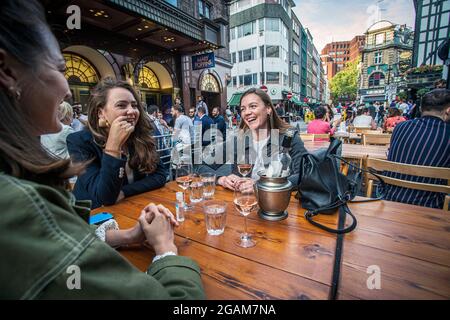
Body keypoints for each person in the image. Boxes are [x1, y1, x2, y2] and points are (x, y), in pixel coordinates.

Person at [0, 0, 204, 299]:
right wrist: (165, 250)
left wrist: (129, 233)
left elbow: (162, 175)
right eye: (59, 69)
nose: (68, 90)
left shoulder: (143, 134)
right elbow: (102, 198)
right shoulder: (32, 192)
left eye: (134, 105)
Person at [67, 78, 168, 209]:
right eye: (121, 105)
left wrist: (125, 192)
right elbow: (105, 197)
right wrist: (113, 145)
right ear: (101, 113)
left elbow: (160, 175)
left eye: (134, 105)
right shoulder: (79, 141)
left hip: (130, 208)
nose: (132, 111)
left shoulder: (138, 136)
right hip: (94, 218)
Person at [199, 88, 307, 189]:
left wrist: (260, 185)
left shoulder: (289, 137)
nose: (247, 112)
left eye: (253, 106)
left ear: (268, 109)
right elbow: (199, 165)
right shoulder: (237, 141)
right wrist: (220, 179)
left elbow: (305, 175)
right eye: (243, 109)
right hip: (243, 203)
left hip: (276, 204)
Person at [385, 89, 450, 209]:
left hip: (389, 198)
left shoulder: (401, 127)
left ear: (421, 109)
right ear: (448, 111)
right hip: (431, 206)